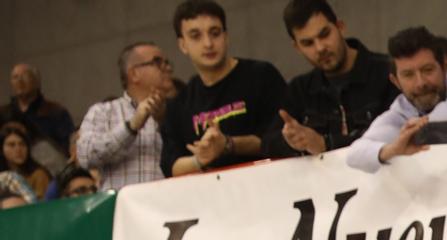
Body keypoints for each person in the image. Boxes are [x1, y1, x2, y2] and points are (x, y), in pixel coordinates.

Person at [158, 0, 286, 176]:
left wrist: (228, 144)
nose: (208, 43)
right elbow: (170, 166)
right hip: (212, 198)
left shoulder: (261, 76)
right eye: (196, 36)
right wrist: (199, 159)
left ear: (226, 36)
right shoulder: (179, 105)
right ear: (182, 45)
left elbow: (282, 138)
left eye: (215, 33)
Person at [347, 28, 447, 174]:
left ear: (445, 67)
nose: (420, 83)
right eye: (408, 75)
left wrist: (413, 134)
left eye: (428, 70)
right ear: (396, 82)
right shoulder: (400, 111)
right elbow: (354, 155)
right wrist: (392, 149)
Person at [270, 0, 396, 157]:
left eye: (324, 34)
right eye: (308, 43)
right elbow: (268, 144)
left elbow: (397, 133)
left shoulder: (388, 72)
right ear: (297, 47)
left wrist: (326, 143)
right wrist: (292, 140)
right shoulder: (299, 89)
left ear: (340, 27)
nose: (320, 48)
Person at [74, 43, 175, 189]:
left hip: (168, 207)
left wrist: (164, 121)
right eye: (158, 62)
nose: (167, 68)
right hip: (121, 210)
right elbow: (85, 156)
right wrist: (131, 126)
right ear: (134, 74)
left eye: (167, 62)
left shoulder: (178, 109)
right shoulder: (104, 111)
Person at [8, 64, 73, 154]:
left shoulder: (56, 112)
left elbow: (68, 147)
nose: (20, 81)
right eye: (15, 77)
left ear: (37, 82)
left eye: (25, 76)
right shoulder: (5, 114)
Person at [0, 122, 49, 198]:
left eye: (22, 144)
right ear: (1, 149)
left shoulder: (39, 175)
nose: (18, 149)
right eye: (11, 145)